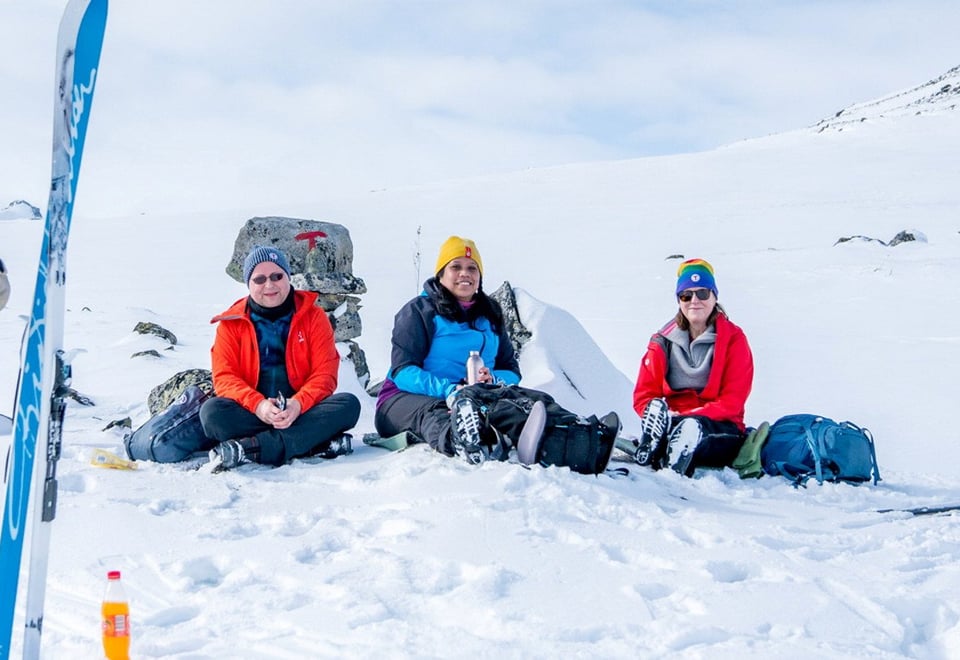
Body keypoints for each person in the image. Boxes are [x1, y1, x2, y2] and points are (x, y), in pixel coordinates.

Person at [375, 235, 618, 467]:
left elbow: (511, 369)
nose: (464, 274)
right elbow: (402, 372)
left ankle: (581, 434)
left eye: (472, 268)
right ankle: (462, 439)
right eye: (455, 267)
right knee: (436, 412)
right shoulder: (419, 311)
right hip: (402, 400)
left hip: (472, 394)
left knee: (534, 400)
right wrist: (449, 391)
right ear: (441, 274)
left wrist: (493, 379)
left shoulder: (490, 313)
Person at [200, 245, 361, 470]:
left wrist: (298, 404)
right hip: (253, 411)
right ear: (248, 284)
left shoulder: (314, 317)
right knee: (212, 414)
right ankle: (310, 443)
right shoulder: (232, 323)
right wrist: (259, 407)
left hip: (300, 410)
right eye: (259, 279)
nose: (270, 285)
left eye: (277, 276)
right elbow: (225, 378)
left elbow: (325, 374)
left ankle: (251, 449)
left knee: (349, 405)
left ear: (288, 277)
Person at [631, 258, 754, 477]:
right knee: (671, 428)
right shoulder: (661, 341)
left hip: (719, 425)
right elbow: (644, 395)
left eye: (703, 293)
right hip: (670, 421)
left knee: (696, 430)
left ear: (715, 297)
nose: (694, 301)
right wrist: (665, 417)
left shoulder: (734, 340)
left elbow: (732, 403)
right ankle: (662, 445)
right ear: (679, 300)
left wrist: (686, 418)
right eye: (686, 295)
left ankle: (671, 450)